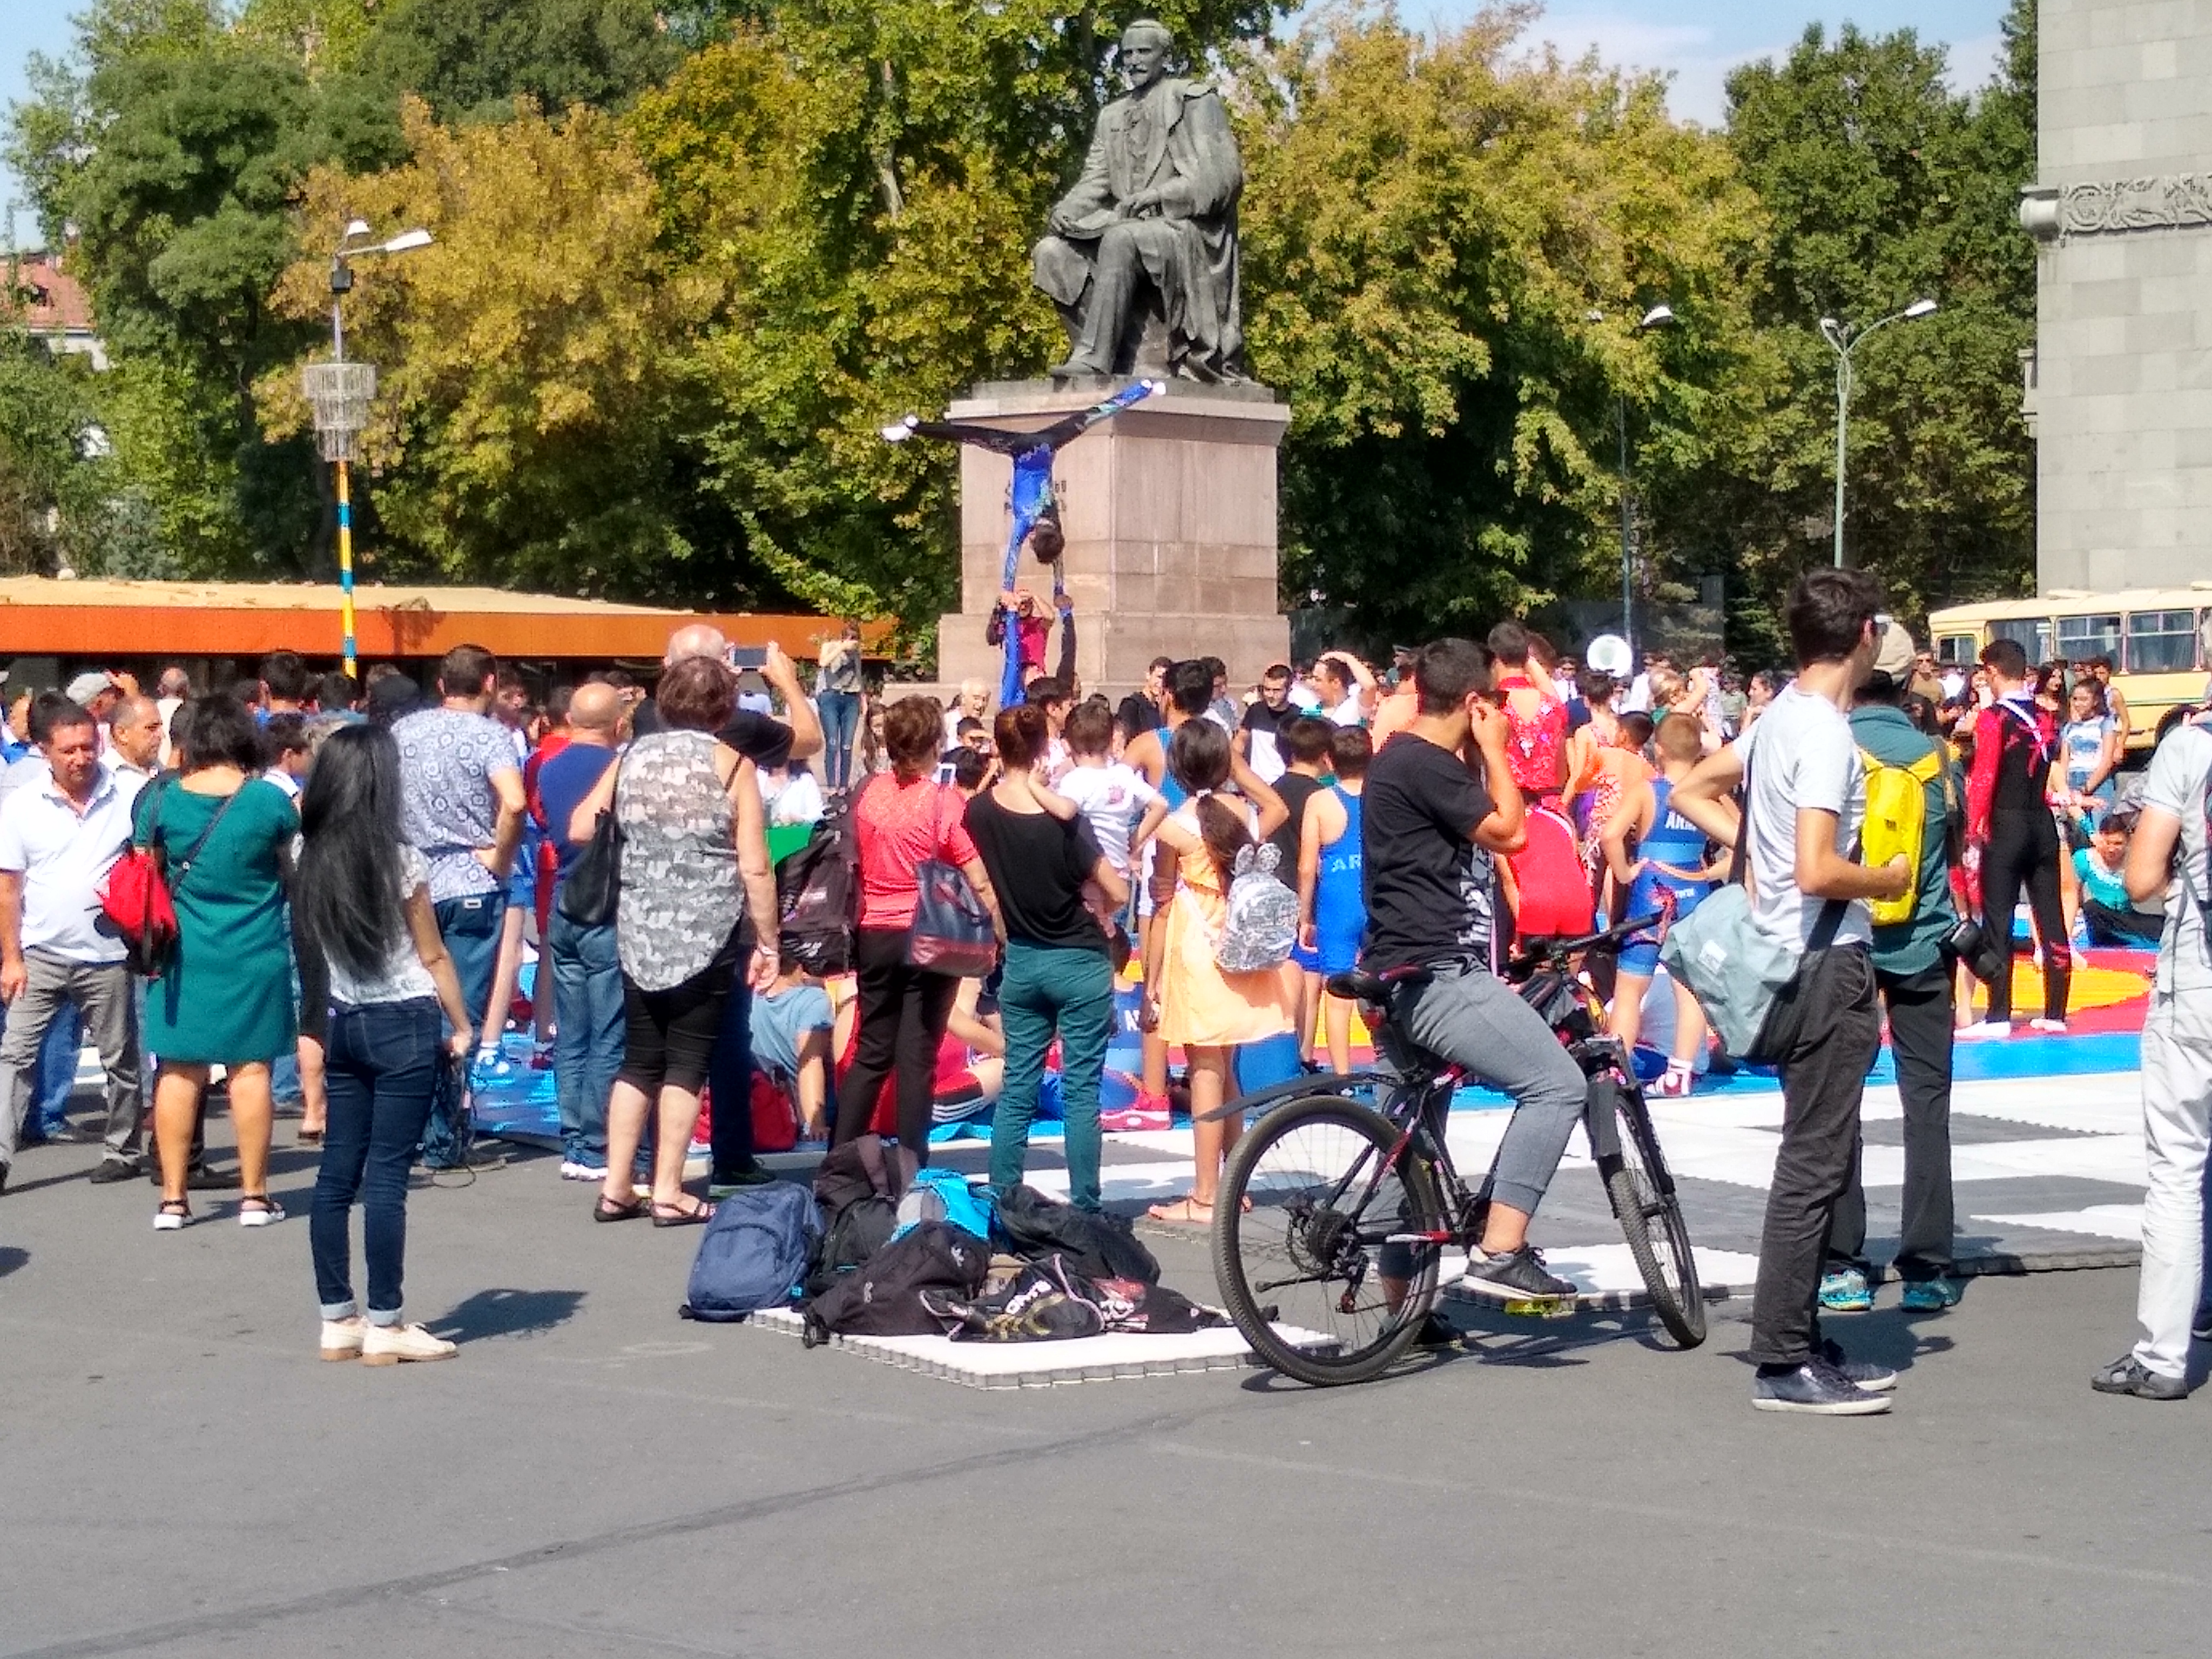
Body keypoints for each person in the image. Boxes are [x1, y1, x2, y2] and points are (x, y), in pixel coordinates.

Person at [1671, 569, 1913, 1414]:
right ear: (1865, 636)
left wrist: (1756, 856)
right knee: (1816, 1162)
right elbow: (1818, 869)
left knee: (1816, 1155)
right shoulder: (1826, 736)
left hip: (1786, 955)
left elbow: (1690, 787)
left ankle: (1798, 1337)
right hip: (1824, 963)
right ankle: (1783, 1357)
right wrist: (1885, 878)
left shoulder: (1776, 718)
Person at [1355, 637, 1590, 1299]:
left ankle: (1403, 1313)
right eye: (1496, 703)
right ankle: (1500, 1249)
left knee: (1410, 1138)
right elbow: (1512, 833)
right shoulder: (1426, 763)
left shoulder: (1400, 758)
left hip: (1394, 965)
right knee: (1556, 1085)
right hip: (1434, 971)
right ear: (1473, 703)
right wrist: (1494, 751)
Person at [570, 658, 780, 1225]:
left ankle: (617, 1185)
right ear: (724, 707)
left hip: (639, 924)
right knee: (688, 1060)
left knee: (640, 1059)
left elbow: (583, 825)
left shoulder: (630, 757)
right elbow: (755, 864)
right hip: (705, 928)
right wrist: (768, 941)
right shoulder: (732, 763)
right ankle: (668, 1190)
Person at [293, 725, 476, 1366]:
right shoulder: (400, 859)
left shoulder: (308, 851)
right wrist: (463, 1025)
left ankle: (337, 1316)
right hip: (403, 1019)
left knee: (336, 1173)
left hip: (345, 1019)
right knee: (389, 1177)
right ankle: (387, 1320)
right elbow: (432, 954)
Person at [1822, 623, 1967, 1315]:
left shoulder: (1830, 748)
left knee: (1837, 1105)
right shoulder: (1936, 756)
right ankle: (1926, 1266)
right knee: (1926, 1104)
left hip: (1843, 944)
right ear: (1911, 681)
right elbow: (1953, 851)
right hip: (1923, 944)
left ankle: (1843, 1263)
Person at [140, 694, 303, 1230]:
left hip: (181, 954)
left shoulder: (161, 801)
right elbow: (292, 870)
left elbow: (147, 875)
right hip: (255, 950)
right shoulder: (269, 801)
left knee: (178, 1070)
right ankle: (255, 1197)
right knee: (250, 1069)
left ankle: (172, 1200)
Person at [2090, 705, 2212, 1400]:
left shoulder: (2191, 746)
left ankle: (2162, 1354)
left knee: (2176, 1170)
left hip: (2197, 976)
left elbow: (2139, 879)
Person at [1131, 719, 1291, 1223]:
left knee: (1204, 1071)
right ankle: (1232, 1184)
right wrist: (1237, 771)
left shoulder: (1175, 828)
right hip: (1239, 947)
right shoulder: (1245, 815)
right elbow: (1279, 805)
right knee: (1227, 1071)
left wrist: (1152, 982)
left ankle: (1206, 1194)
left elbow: (1161, 908)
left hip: (1198, 950)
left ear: (1177, 768)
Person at [967, 704, 1126, 1211]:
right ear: (1043, 749)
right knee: (1080, 1091)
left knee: (1019, 1085)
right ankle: (1086, 1206)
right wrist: (1095, 901)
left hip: (1023, 955)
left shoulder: (980, 813)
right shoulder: (1064, 822)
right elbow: (1118, 889)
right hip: (1078, 958)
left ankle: (1003, 1197)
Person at [831, 696, 1003, 1157]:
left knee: (872, 1047)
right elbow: (977, 876)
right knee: (918, 1052)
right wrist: (999, 930)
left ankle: (841, 1155)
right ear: (935, 744)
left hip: (875, 928)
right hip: (928, 930)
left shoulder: (868, 792)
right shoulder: (943, 801)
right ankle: (911, 1160)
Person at [0, 700, 149, 1192]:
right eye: (69, 750)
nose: (81, 758)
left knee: (120, 1059)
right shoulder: (22, 805)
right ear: (46, 751)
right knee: (15, 1056)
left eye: (88, 747)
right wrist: (11, 959)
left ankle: (123, 1150)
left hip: (108, 954)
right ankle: (0, 1154)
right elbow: (8, 888)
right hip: (40, 953)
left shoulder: (128, 794)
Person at [392, 646, 526, 1082]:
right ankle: (450, 1112)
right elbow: (515, 801)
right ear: (490, 683)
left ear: (441, 685)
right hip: (471, 879)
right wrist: (500, 858)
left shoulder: (402, 731)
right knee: (462, 1012)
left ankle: (413, 1101)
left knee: (412, 997)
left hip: (410, 877)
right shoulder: (490, 736)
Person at [1600, 712, 1720, 1095]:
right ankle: (1679, 1074)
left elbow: (1610, 834)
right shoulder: (1709, 794)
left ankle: (1616, 1072)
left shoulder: (1648, 790)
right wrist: (1708, 873)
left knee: (1630, 988)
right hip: (1694, 891)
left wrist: (1624, 873)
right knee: (1689, 986)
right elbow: (1743, 839)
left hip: (1652, 891)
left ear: (1660, 749)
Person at [536, 683, 625, 1181]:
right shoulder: (619, 769)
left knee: (572, 1032)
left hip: (566, 899)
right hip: (608, 904)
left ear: (569, 720)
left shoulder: (549, 768)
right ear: (619, 725)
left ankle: (573, 1140)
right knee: (608, 1031)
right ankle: (596, 1143)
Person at [1963, 638, 2071, 1036]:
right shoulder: (2047, 717)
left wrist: (1972, 832)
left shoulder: (1993, 718)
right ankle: (2056, 1011)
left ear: (1993, 671)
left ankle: (1998, 1015)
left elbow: (1985, 777)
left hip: (2005, 826)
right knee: (2051, 916)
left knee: (1999, 918)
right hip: (2041, 824)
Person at [1298, 725, 1370, 1076]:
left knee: (1339, 994)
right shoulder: (1384, 795)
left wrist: (1304, 916)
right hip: (1378, 900)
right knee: (1385, 985)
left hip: (1337, 905)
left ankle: (1343, 1077)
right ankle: (1392, 1066)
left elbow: (1306, 867)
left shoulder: (1320, 802)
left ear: (1328, 760)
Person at [751, 965, 836, 1142]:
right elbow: (810, 1061)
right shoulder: (813, 1000)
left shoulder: (749, 1000)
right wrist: (814, 1125)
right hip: (809, 1116)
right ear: (799, 967)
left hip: (767, 1116)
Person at [2074, 808, 2163, 947]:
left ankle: (2129, 938)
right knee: (2092, 907)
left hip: (2126, 918)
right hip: (2100, 918)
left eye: (2118, 844)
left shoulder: (2134, 860)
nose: (2111, 849)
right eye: (2107, 843)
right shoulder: (2084, 858)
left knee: (2164, 924)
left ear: (2128, 841)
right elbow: (2072, 893)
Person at [2055, 677, 2121, 826]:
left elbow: (2107, 761)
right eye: (2075, 699)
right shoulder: (2069, 727)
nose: (2078, 704)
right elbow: (2064, 762)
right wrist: (2064, 788)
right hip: (2073, 780)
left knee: (2099, 829)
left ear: (2096, 701)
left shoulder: (2106, 723)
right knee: (2078, 830)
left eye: (2084, 699)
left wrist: (2086, 788)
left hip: (2099, 783)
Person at [817, 619, 866, 793]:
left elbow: (858, 675)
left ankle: (844, 785)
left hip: (851, 698)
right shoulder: (830, 646)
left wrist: (863, 699)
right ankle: (832, 786)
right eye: (850, 637)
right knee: (832, 744)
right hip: (831, 696)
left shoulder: (857, 653)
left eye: (855, 638)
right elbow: (823, 663)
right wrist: (841, 648)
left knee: (847, 745)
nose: (853, 641)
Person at [1235, 664, 1297, 784]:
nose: (1270, 695)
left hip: (1285, 784)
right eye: (1267, 689)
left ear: (1289, 689)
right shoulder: (1255, 710)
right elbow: (1240, 740)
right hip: (1256, 784)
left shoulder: (1298, 716)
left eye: (1277, 691)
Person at [1312, 651, 1376, 728]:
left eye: (1318, 680)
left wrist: (1347, 658)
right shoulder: (1310, 711)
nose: (1313, 684)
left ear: (1336, 683)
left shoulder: (1356, 704)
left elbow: (1370, 686)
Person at [1118, 657, 1172, 745]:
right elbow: (1127, 739)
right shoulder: (1131, 705)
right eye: (1159, 677)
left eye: (1166, 680)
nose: (1161, 683)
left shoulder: (1162, 709)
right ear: (1148, 676)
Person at [154, 667, 190, 768]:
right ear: (186, 689)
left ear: (162, 688)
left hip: (155, 771)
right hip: (184, 771)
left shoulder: (150, 712)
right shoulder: (194, 713)